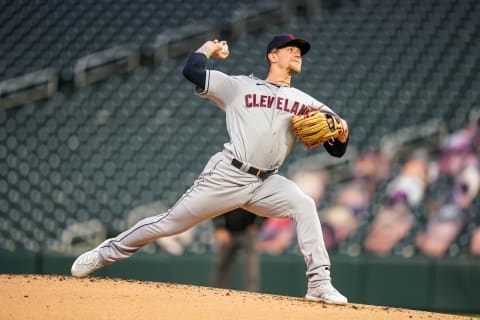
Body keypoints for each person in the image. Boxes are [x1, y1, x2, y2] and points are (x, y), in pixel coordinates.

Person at [71, 34, 349, 305]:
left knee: (304, 205)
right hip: (228, 174)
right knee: (168, 223)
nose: (298, 53)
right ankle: (105, 253)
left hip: (267, 182)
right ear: (272, 56)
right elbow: (192, 70)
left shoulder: (307, 102)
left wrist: (341, 136)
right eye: (290, 49)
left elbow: (336, 150)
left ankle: (319, 284)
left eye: (300, 50)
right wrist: (208, 48)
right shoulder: (240, 86)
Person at [210, 208, 262, 292]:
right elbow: (215, 206)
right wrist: (219, 227)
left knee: (251, 266)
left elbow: (265, 207)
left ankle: (252, 295)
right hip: (227, 231)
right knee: (221, 265)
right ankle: (217, 293)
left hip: (248, 232)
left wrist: (258, 224)